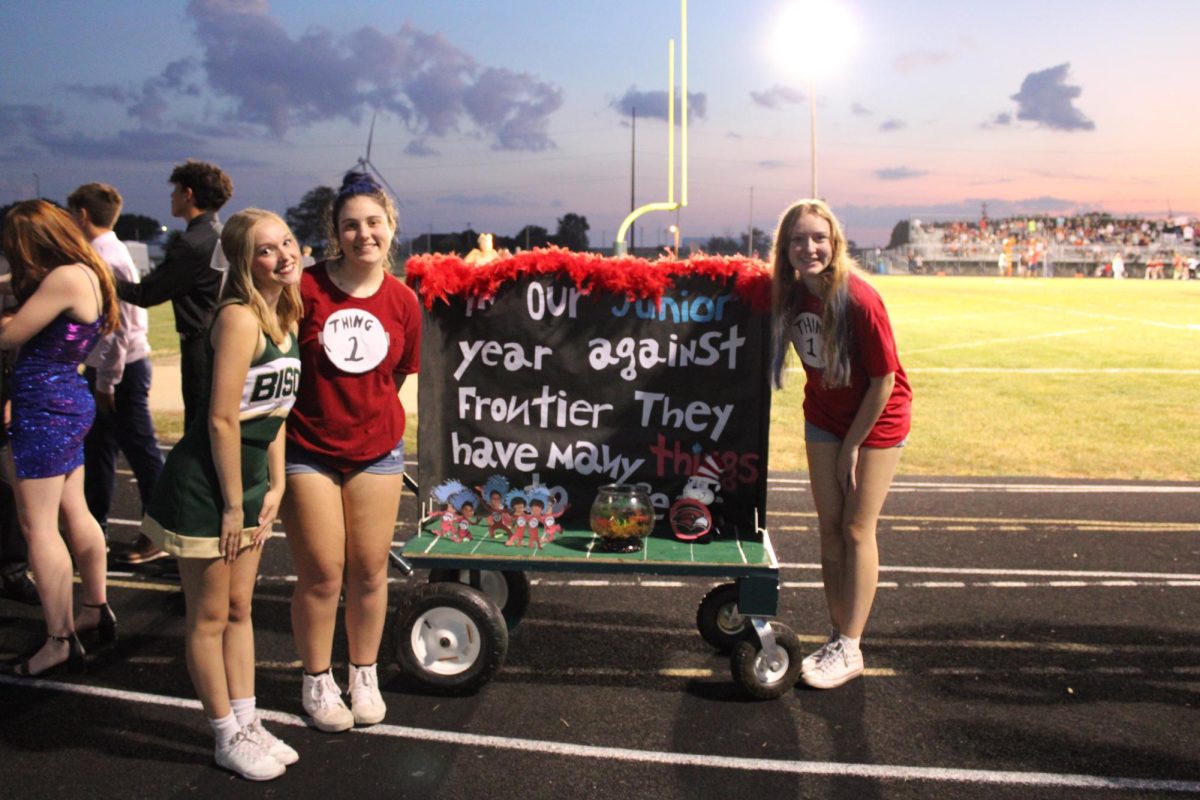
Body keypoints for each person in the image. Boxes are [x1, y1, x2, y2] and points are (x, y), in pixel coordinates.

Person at [140, 209, 302, 780]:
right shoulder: (237, 318)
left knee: (240, 609)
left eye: (287, 241)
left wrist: (275, 483)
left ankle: (248, 719)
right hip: (209, 487)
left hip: (249, 481)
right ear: (241, 261)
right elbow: (221, 421)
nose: (283, 254)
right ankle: (224, 734)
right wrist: (234, 503)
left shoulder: (285, 314)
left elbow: (273, 412)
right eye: (265, 250)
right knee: (208, 616)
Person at [282, 171, 421, 732]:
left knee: (368, 571)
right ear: (335, 234)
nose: (364, 234)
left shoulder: (404, 301)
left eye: (374, 223)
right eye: (350, 225)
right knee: (321, 573)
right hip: (307, 449)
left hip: (377, 451)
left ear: (391, 228)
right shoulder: (305, 290)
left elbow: (400, 375)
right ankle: (317, 679)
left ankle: (363, 672)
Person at [769, 199, 912, 690]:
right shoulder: (788, 298)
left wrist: (853, 444)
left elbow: (884, 380)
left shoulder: (859, 299)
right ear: (784, 247)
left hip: (876, 419)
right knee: (828, 527)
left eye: (818, 238)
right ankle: (836, 635)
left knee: (855, 528)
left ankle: (852, 646)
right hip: (824, 418)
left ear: (834, 244)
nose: (809, 248)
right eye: (798, 239)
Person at [0, 200, 120, 677]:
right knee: (75, 512)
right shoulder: (86, 271)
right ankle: (94, 608)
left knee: (39, 527)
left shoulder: (64, 277)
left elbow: (13, 335)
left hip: (44, 407)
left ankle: (60, 638)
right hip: (65, 400)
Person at [114, 159, 232, 564]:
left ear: (189, 194)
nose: (170, 198)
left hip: (200, 348)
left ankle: (192, 537)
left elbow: (147, 294)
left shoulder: (192, 242)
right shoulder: (222, 235)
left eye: (174, 191)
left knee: (197, 444)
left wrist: (100, 277)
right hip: (219, 344)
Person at [67, 183, 165, 542]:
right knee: (100, 450)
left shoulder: (104, 257)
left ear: (82, 214)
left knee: (141, 452)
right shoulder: (110, 250)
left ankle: (156, 534)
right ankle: (95, 528)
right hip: (114, 365)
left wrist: (106, 381)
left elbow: (116, 328)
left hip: (121, 367)